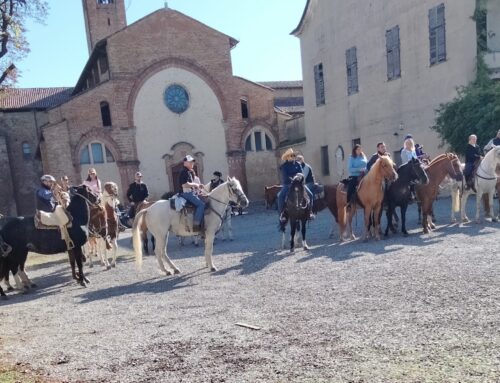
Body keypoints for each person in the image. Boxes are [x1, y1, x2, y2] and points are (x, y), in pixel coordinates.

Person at [277, 148, 314, 222]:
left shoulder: (298, 164)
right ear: (287, 157)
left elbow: (302, 174)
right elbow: (285, 177)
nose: (293, 156)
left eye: (293, 155)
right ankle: (282, 215)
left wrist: (300, 177)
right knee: (280, 196)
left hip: (299, 183)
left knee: (310, 194)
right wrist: (294, 178)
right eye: (291, 155)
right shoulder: (284, 166)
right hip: (288, 184)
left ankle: (310, 212)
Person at [178, 155, 205, 231]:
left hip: (189, 192)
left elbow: (189, 184)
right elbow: (184, 184)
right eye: (190, 162)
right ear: (185, 162)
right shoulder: (184, 171)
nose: (192, 163)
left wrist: (197, 186)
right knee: (201, 205)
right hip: (186, 193)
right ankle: (196, 225)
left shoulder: (187, 171)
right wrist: (195, 184)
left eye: (192, 162)